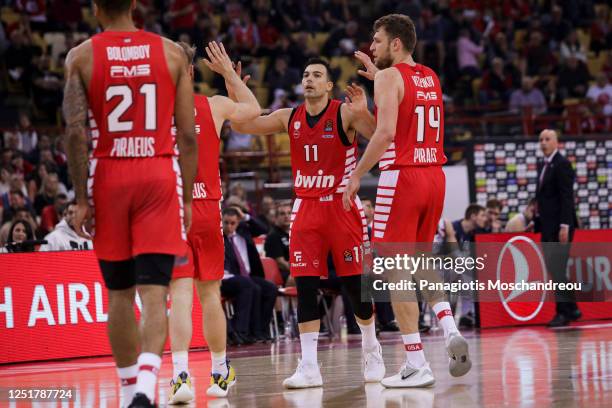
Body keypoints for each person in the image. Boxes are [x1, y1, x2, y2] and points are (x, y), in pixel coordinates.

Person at [62, 1, 197, 407]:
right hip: (158, 174)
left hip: (109, 175)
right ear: (135, 5)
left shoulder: (80, 56)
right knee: (155, 292)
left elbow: (73, 133)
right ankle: (146, 385)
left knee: (119, 293)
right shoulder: (172, 52)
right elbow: (188, 135)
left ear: (94, 7)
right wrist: (188, 196)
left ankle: (127, 392)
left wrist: (81, 199)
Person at [231, 57, 385, 388]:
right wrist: (235, 84)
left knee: (355, 289)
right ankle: (309, 366)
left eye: (317, 75)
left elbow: (379, 137)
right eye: (305, 75)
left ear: (329, 86)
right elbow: (244, 125)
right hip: (306, 208)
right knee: (305, 287)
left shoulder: (343, 112)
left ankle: (372, 347)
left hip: (342, 206)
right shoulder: (289, 117)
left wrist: (362, 111)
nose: (309, 79)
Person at [345, 14, 471, 388]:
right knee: (419, 259)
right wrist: (370, 98)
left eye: (378, 42)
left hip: (402, 178)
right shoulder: (430, 76)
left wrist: (356, 176)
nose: (372, 48)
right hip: (434, 176)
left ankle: (416, 361)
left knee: (394, 269)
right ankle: (449, 329)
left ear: (396, 44)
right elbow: (393, 128)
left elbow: (383, 137)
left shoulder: (389, 77)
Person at [166, 40, 261, 403]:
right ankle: (220, 372)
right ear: (191, 72)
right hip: (206, 208)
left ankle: (180, 377)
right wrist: (229, 76)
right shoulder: (213, 105)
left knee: (179, 296)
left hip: (171, 209)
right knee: (210, 296)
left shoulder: (155, 112)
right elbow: (253, 109)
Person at [535, 129, 580, 327]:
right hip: (548, 225)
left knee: (558, 269)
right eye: (541, 140)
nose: (543, 143)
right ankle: (572, 309)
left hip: (559, 227)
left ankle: (563, 312)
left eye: (547, 139)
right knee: (557, 270)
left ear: (556, 142)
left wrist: (565, 225)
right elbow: (546, 199)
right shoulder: (544, 165)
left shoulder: (562, 164)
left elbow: (566, 197)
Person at [221, 207, 278, 342]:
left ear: (238, 222)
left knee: (270, 288)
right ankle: (241, 332)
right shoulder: (220, 236)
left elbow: (264, 230)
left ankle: (261, 331)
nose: (229, 226)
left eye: (233, 223)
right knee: (251, 287)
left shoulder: (243, 231)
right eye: (226, 222)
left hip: (247, 276)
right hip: (227, 278)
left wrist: (246, 217)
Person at [264, 202, 291, 284]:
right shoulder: (273, 236)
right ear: (276, 218)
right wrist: (301, 270)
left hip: (295, 270)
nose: (286, 216)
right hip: (282, 273)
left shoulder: (295, 233)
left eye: (289, 213)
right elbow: (281, 263)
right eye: (282, 214)